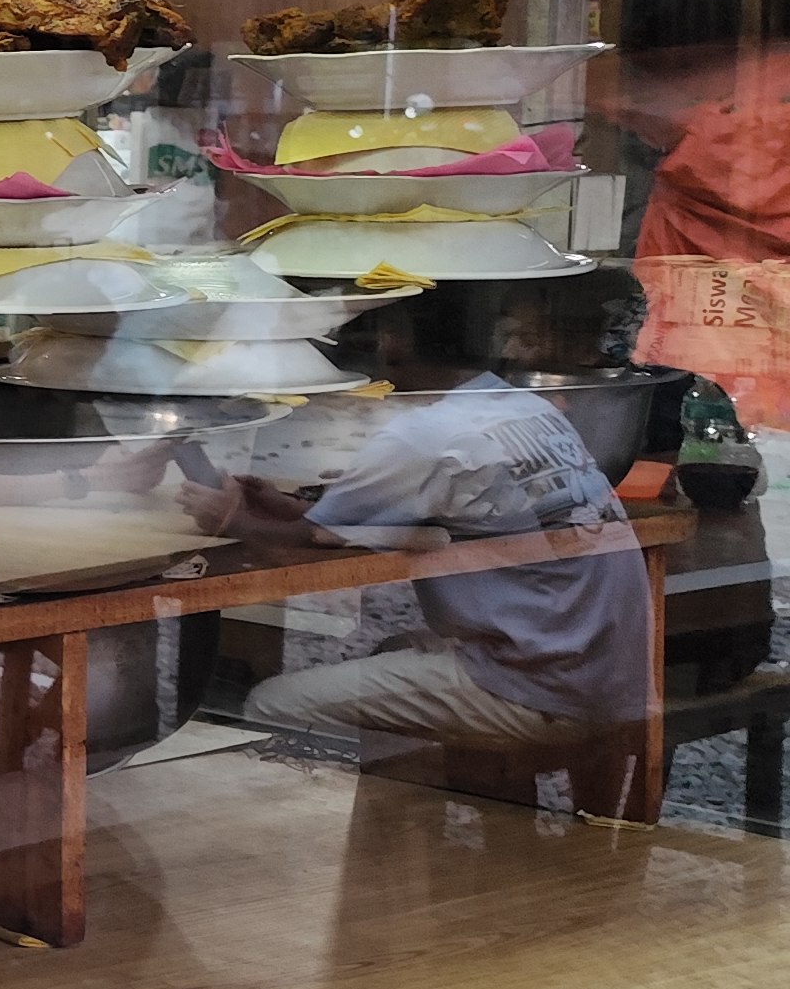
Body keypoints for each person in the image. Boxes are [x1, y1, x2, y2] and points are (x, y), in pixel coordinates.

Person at [208, 286, 654, 755]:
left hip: (542, 686)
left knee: (272, 703)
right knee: (391, 649)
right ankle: (401, 795)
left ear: (393, 340)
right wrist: (294, 510)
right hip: (605, 675)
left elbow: (298, 544)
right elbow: (361, 524)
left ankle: (374, 795)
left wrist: (229, 520)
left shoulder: (423, 435)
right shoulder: (527, 406)